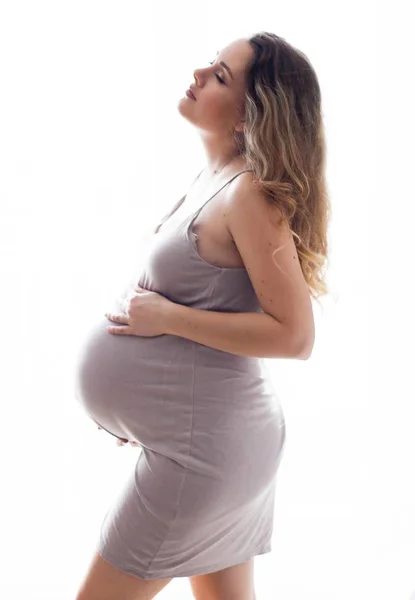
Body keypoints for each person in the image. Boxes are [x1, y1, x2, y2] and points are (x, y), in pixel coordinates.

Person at [75, 31, 330, 600]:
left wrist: (167, 319)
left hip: (205, 454)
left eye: (219, 76)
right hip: (202, 441)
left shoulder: (249, 195)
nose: (197, 74)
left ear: (248, 116)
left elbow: (295, 335)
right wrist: (150, 410)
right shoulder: (215, 181)